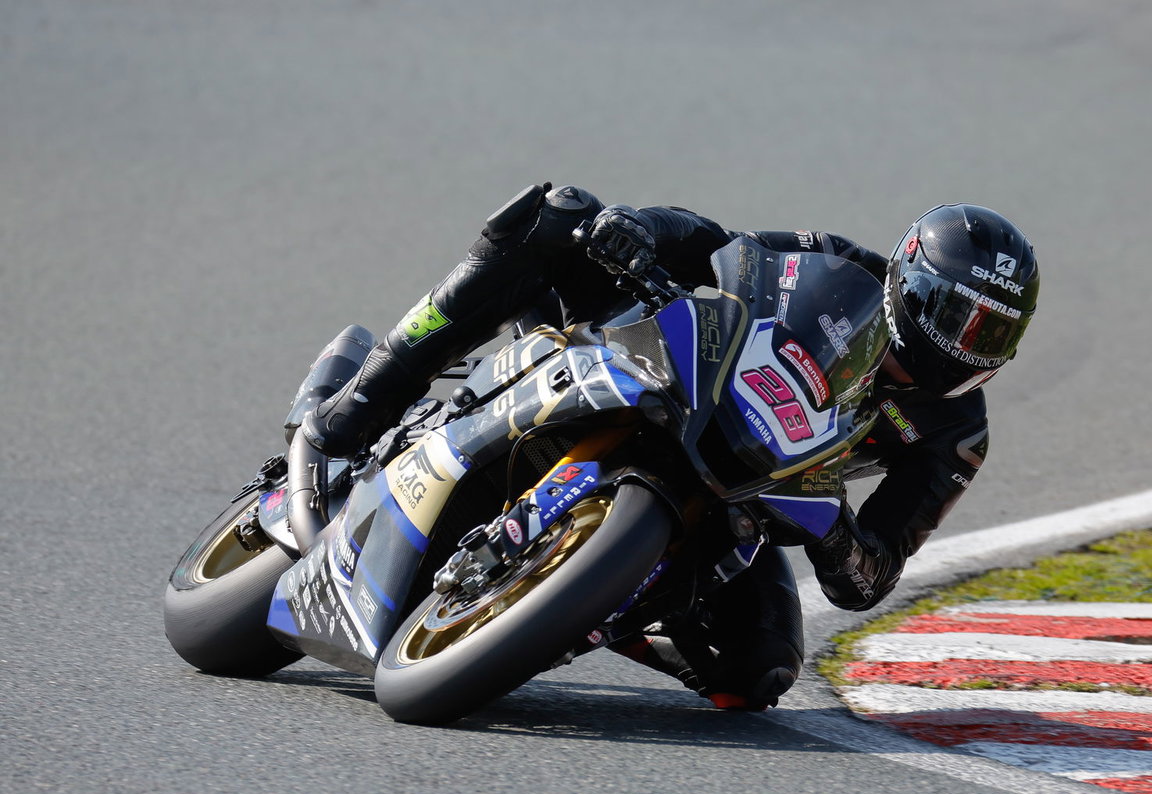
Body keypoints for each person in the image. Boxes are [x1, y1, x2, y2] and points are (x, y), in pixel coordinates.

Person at [304, 183, 1040, 711]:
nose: (965, 345)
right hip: (674, 382)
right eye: (955, 315)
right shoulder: (841, 267)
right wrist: (638, 229)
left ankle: (567, 608)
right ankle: (354, 412)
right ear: (908, 282)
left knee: (759, 673)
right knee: (558, 217)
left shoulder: (955, 437)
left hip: (744, 504)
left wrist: (837, 529)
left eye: (992, 334)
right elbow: (721, 248)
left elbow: (868, 579)